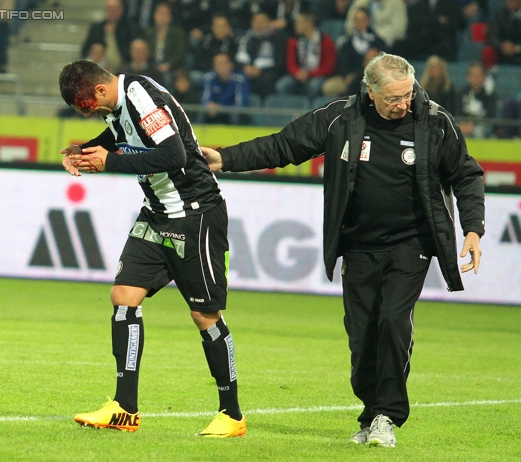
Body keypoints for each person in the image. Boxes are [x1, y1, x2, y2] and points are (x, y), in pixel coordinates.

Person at [201, 52, 484, 448]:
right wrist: (226, 158)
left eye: (408, 95)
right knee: (362, 333)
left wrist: (473, 229)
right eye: (393, 98)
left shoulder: (435, 121)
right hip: (358, 245)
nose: (403, 104)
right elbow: (284, 146)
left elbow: (466, 175)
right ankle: (371, 412)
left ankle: (388, 415)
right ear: (370, 92)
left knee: (393, 321)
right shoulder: (340, 119)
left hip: (413, 244)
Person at [57, 59, 246, 438]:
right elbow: (118, 135)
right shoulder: (119, 106)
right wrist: (84, 149)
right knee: (123, 295)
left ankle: (232, 414)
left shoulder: (140, 95)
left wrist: (110, 162)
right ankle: (125, 408)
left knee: (204, 317)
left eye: (85, 107)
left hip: (196, 216)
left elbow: (173, 155)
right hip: (157, 215)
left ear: (98, 90)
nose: (87, 114)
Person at [322, 7, 386, 97]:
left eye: (362, 20)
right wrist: (347, 76)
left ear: (368, 21)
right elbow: (341, 63)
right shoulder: (346, 43)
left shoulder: (378, 43)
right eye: (356, 20)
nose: (359, 23)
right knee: (329, 87)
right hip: (347, 79)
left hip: (372, 78)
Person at [275, 12, 337, 99]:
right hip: (298, 75)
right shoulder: (293, 41)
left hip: (318, 76)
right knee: (282, 85)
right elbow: (290, 63)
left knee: (313, 86)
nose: (296, 25)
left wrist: (309, 74)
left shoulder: (326, 41)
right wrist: (298, 73)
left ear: (309, 24)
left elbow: (328, 67)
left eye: (299, 22)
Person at [235, 10, 288, 97]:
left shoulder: (277, 38)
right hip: (247, 70)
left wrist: (260, 70)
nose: (259, 24)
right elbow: (239, 57)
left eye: (262, 21)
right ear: (252, 23)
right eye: (257, 21)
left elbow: (280, 62)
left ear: (269, 22)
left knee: (267, 80)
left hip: (269, 71)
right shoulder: (246, 38)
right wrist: (245, 67)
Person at [81, 0, 142, 74]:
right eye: (110, 9)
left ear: (122, 10)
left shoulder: (131, 28)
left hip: (124, 70)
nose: (112, 12)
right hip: (99, 69)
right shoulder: (97, 28)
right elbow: (85, 50)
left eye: (116, 9)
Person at [482, 0, 521, 69]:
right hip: (503, 48)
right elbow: (493, 35)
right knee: (488, 51)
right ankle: (488, 75)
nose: (509, 2)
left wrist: (517, 47)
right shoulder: (499, 13)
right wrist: (502, 45)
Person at [144, 2, 188, 86]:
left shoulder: (177, 33)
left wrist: (168, 65)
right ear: (154, 15)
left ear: (170, 16)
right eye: (159, 13)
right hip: (152, 67)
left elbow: (180, 52)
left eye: (165, 14)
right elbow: (146, 52)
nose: (162, 16)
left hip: (172, 68)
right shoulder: (148, 33)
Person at [201, 52, 250, 125]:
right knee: (203, 113)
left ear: (231, 65)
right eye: (216, 64)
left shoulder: (239, 79)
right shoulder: (208, 77)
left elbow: (241, 104)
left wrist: (222, 108)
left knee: (236, 116)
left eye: (222, 63)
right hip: (214, 112)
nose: (219, 66)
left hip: (231, 112)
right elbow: (205, 99)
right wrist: (210, 105)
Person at [457, 62, 497, 138]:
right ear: (467, 77)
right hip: (463, 124)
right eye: (472, 75)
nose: (475, 78)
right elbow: (457, 111)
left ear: (484, 77)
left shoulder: (490, 94)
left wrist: (472, 125)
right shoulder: (461, 93)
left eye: (478, 75)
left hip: (483, 125)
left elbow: (490, 115)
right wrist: (462, 124)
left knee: (478, 131)